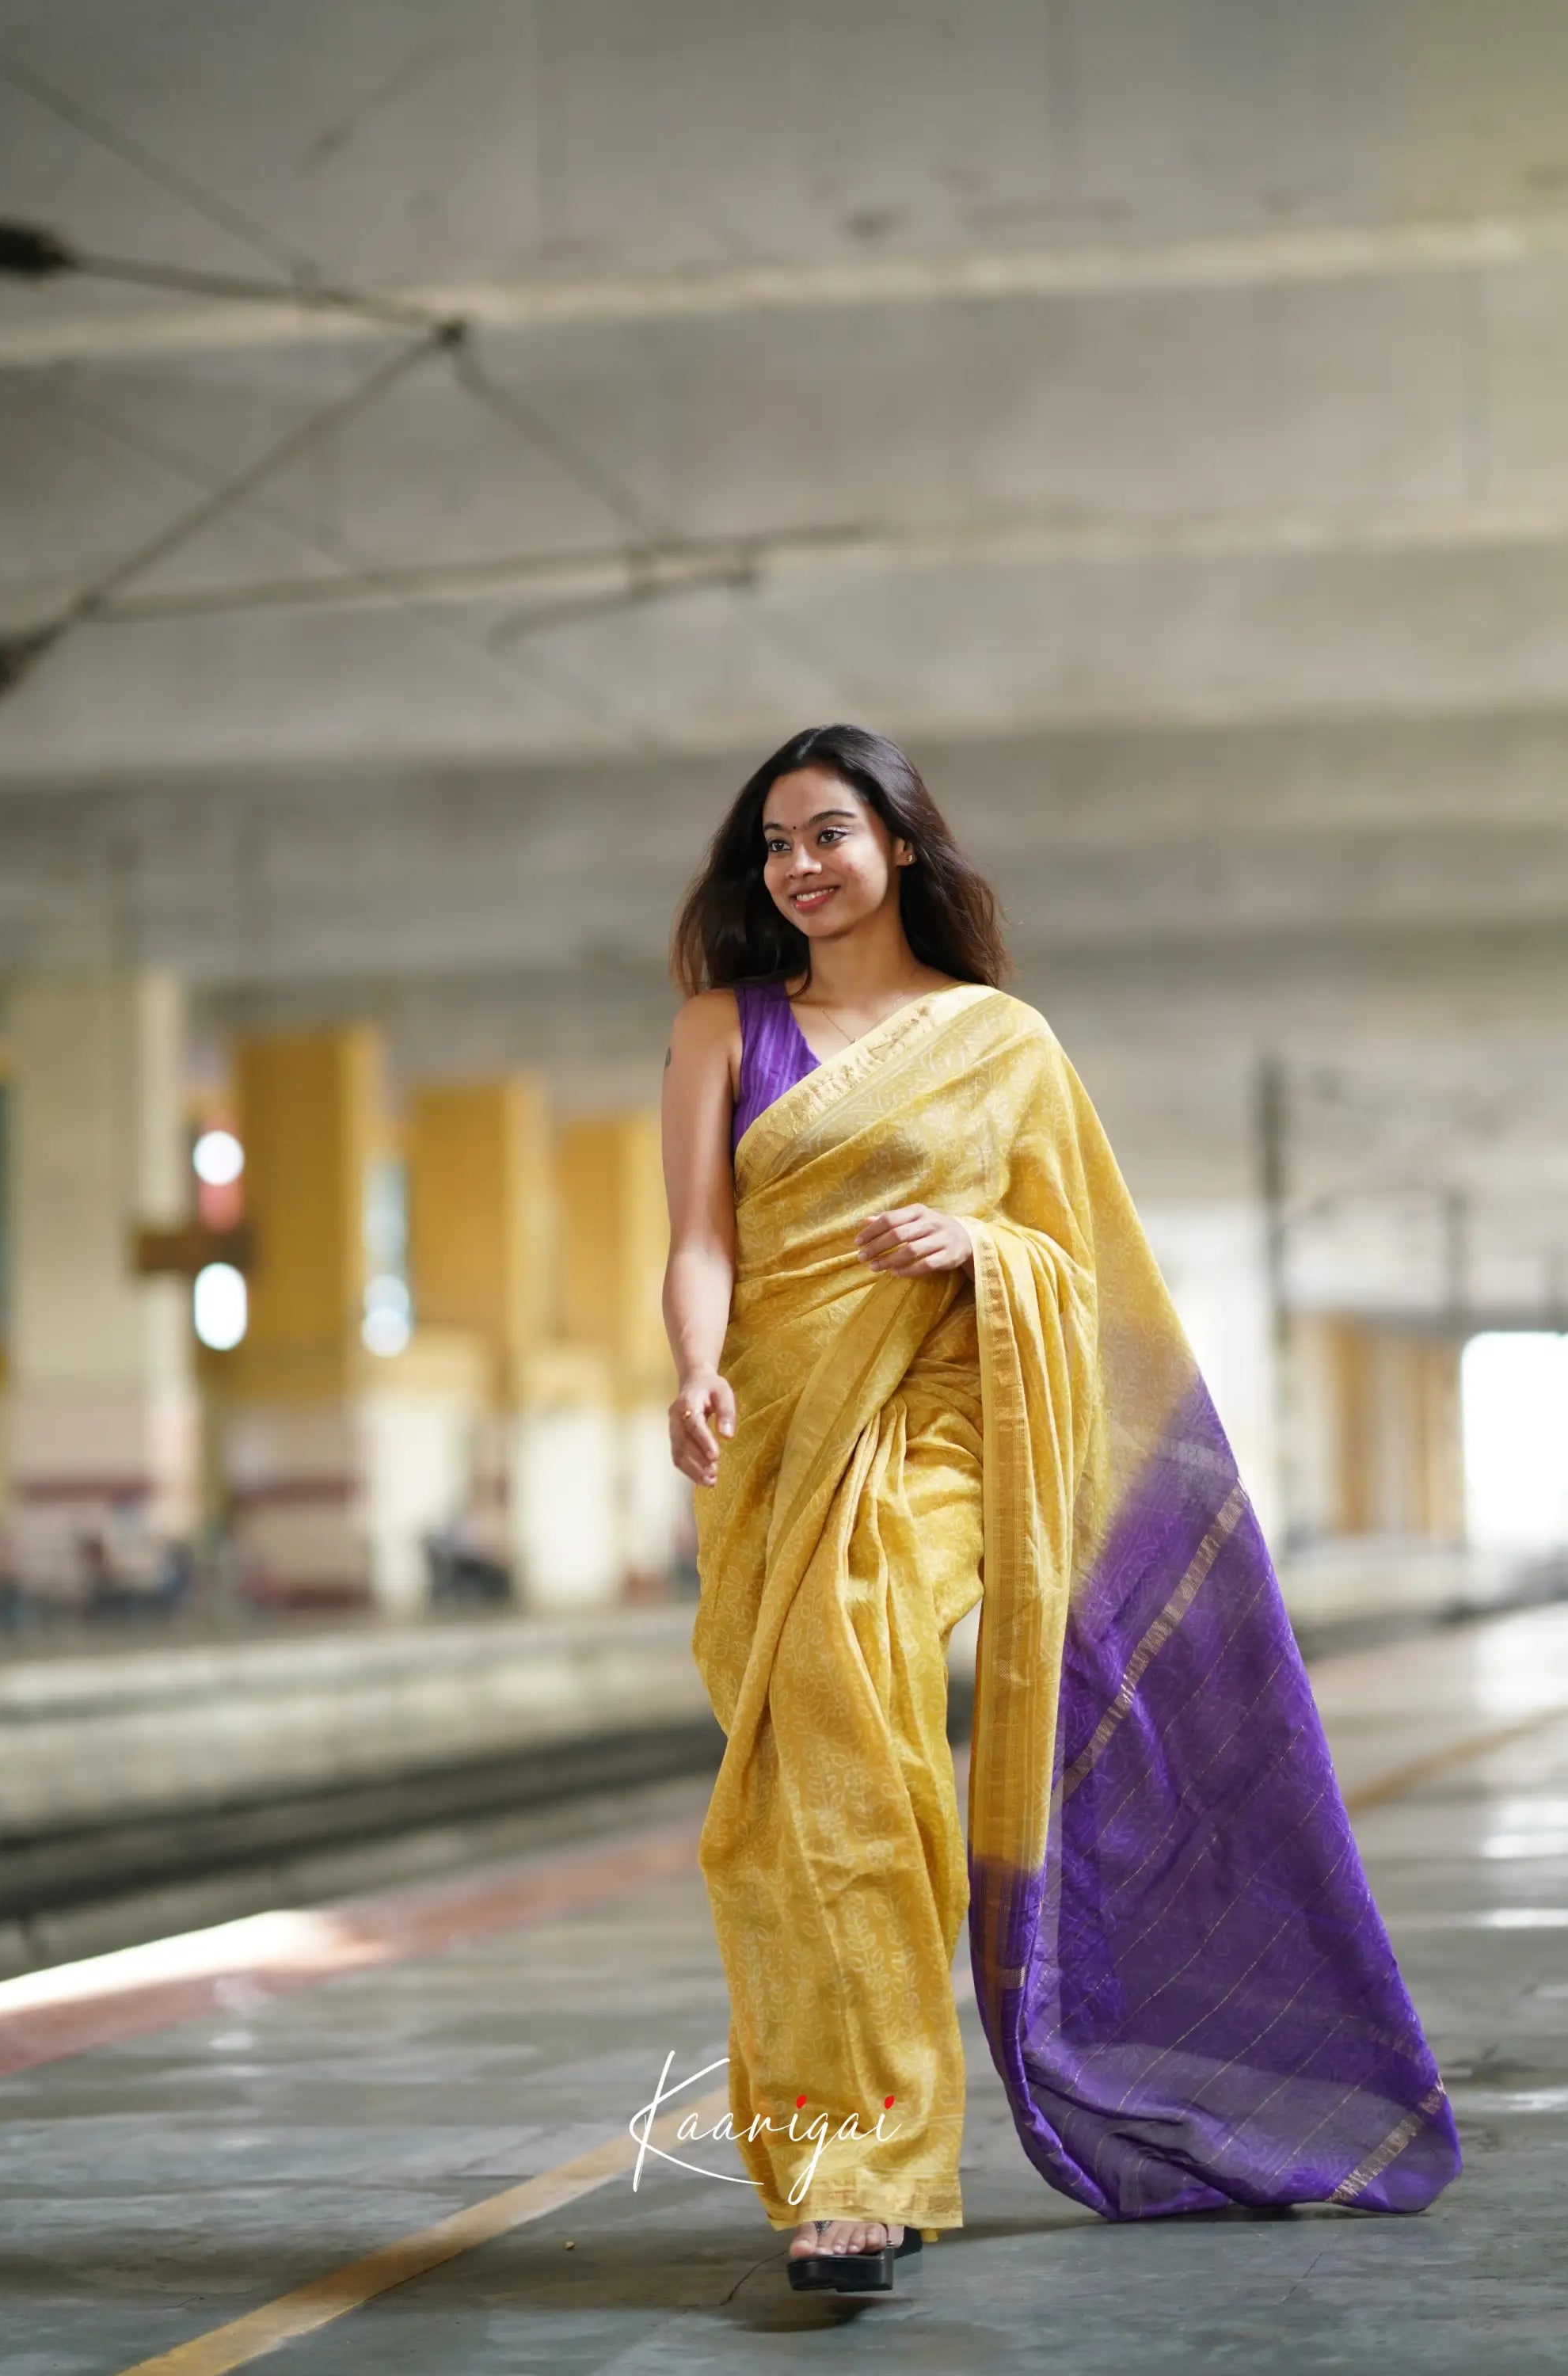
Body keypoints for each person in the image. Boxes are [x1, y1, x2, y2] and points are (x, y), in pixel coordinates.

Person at [659, 722, 1460, 2294]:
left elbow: (1075, 1268)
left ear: (899, 843)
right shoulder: (718, 1027)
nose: (798, 867)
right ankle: (856, 2135)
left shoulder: (1002, 1042)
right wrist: (692, 1368)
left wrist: (980, 1250)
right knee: (829, 1762)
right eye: (772, 845)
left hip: (957, 1416)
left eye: (828, 832)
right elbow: (702, 1238)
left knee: (851, 1669)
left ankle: (859, 2169)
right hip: (781, 1430)